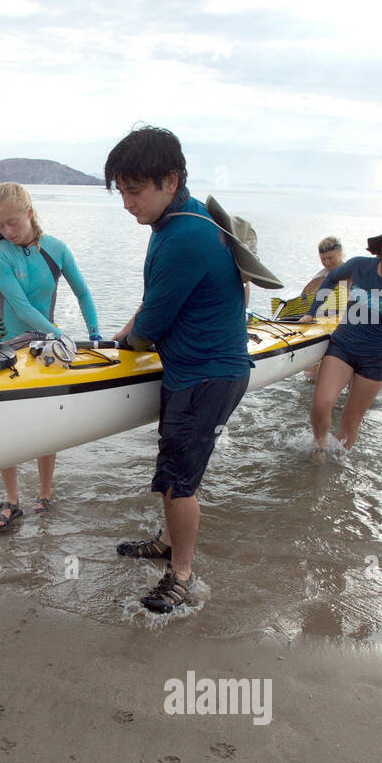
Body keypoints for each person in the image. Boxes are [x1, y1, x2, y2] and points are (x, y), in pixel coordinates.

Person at [105, 126, 254, 614]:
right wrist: (122, 335)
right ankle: (167, 542)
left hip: (206, 375)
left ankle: (183, 574)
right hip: (198, 368)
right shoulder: (183, 221)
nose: (127, 202)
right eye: (121, 191)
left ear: (170, 180)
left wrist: (128, 339)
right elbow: (155, 305)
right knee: (175, 467)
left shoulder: (184, 236)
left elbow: (150, 325)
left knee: (178, 480)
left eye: (134, 190)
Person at [0, 182, 101, 530]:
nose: (6, 231)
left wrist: (94, 333)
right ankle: (12, 499)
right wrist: (59, 333)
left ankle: (45, 494)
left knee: (45, 420)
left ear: (30, 213)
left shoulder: (57, 249)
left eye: (12, 223)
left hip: (47, 345)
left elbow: (82, 292)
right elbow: (19, 305)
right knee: (9, 423)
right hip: (11, 344)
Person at [308, 220, 382, 452]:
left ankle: (337, 463)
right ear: (381, 249)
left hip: (377, 357)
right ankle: (320, 447)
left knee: (350, 418)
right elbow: (331, 278)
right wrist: (312, 312)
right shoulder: (359, 266)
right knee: (321, 403)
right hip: (344, 345)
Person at [299, 236, 345, 379]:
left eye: (331, 258)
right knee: (309, 375)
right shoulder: (319, 277)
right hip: (322, 326)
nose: (327, 263)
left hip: (345, 328)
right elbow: (306, 301)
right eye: (323, 259)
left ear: (340, 253)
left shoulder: (353, 272)